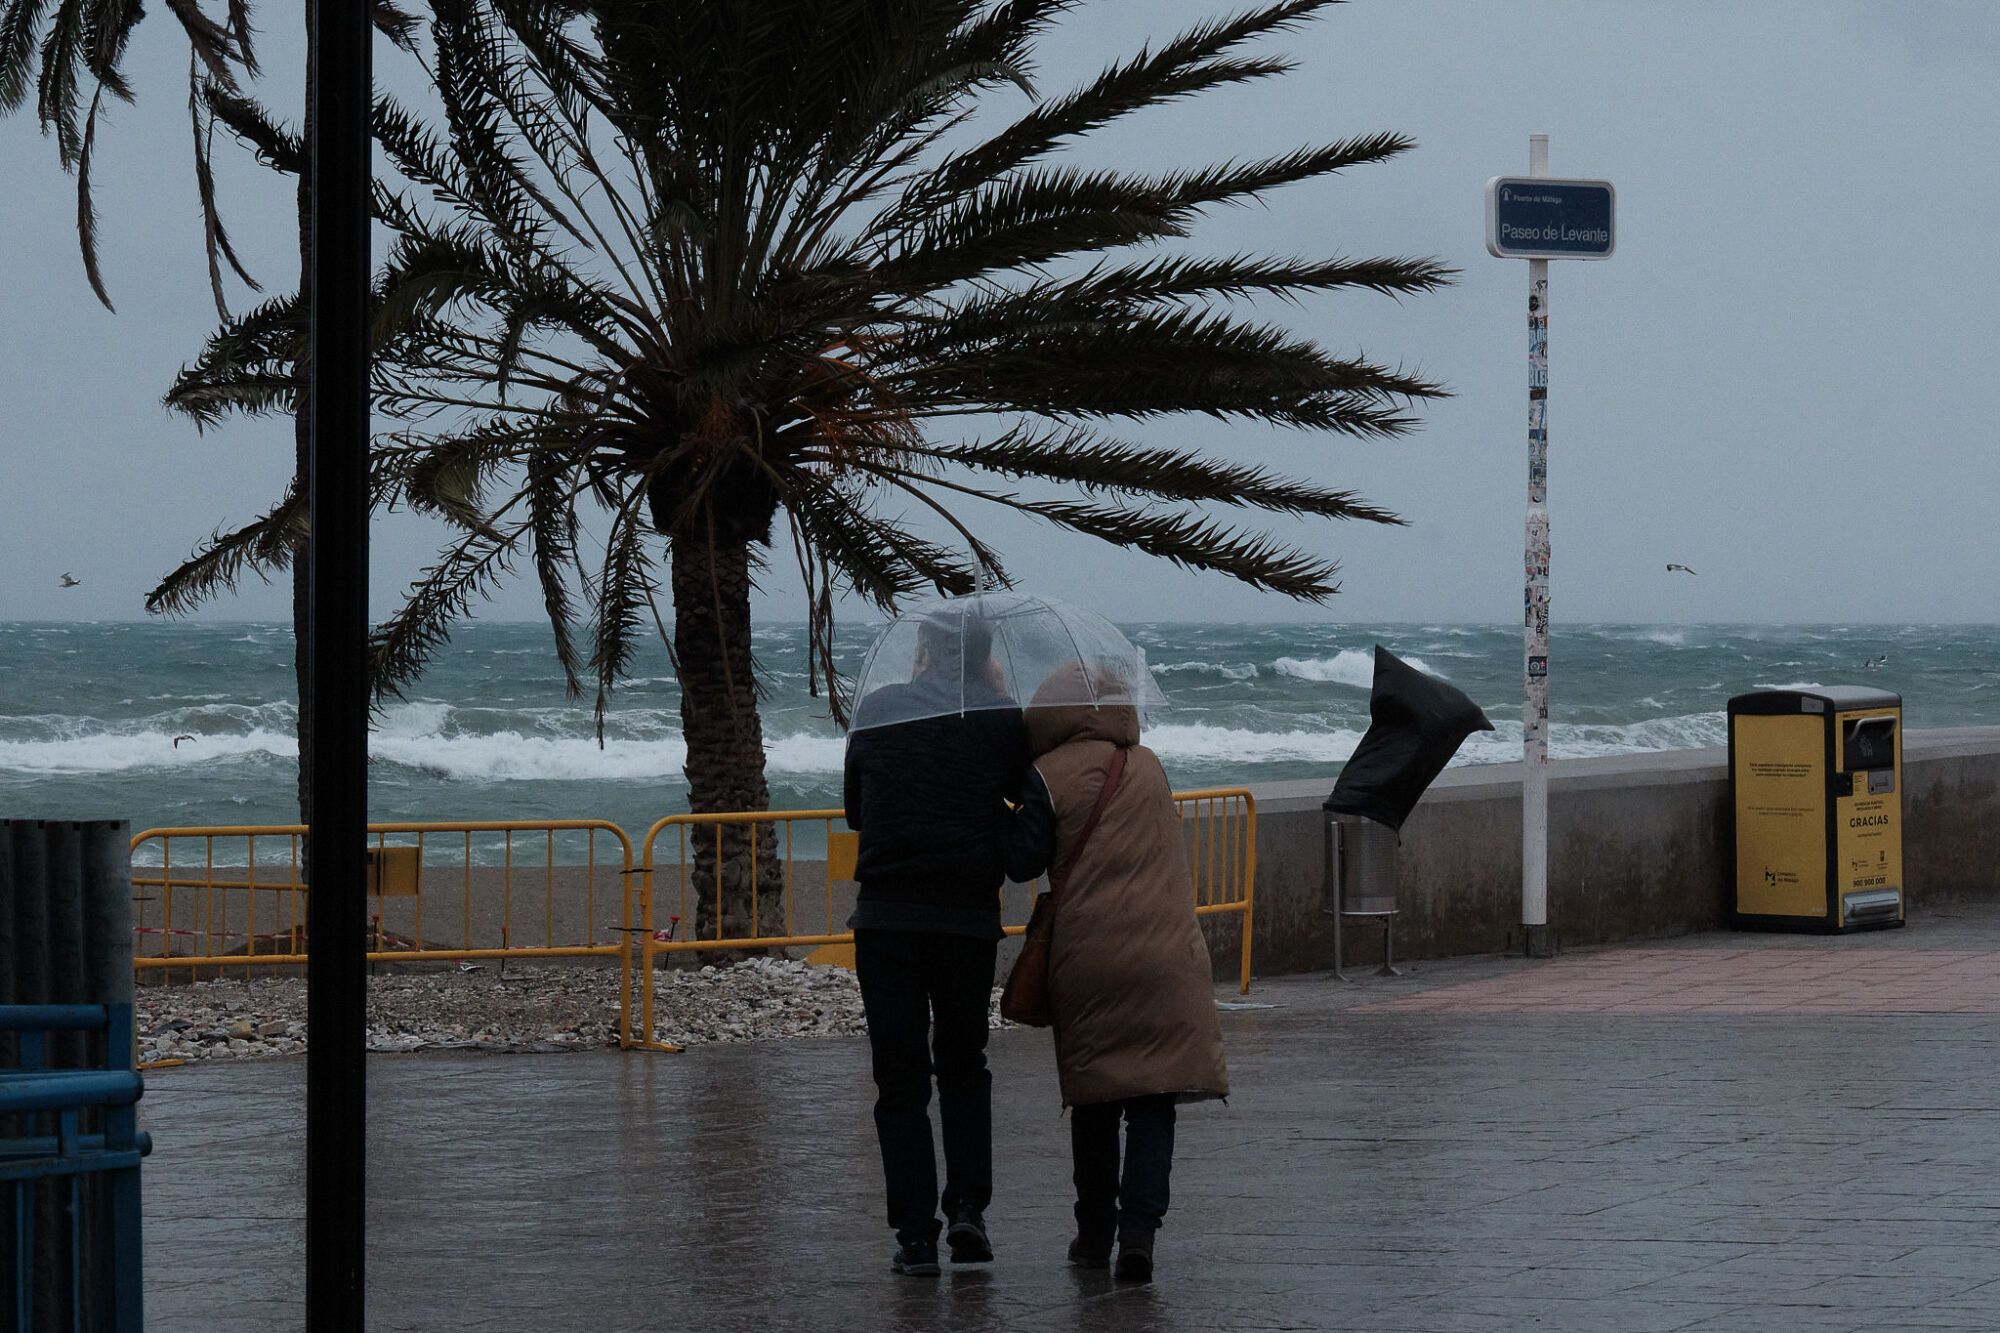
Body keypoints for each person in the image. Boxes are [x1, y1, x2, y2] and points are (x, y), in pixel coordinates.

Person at [1005, 663, 1228, 1284]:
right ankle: (1140, 1235)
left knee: (1097, 1101)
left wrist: (1006, 803)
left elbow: (1021, 863)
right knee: (1155, 1100)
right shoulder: (1150, 766)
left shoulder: (1046, 776)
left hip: (1090, 960)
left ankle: (1094, 1231)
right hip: (1168, 959)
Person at [843, 613, 1028, 1276]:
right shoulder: (1000, 717)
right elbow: (1028, 801)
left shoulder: (880, 709)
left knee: (899, 1078)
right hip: (965, 921)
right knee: (962, 1065)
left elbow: (856, 811)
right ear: (984, 657)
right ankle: (969, 1212)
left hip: (887, 920)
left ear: (922, 650)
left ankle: (916, 1235)